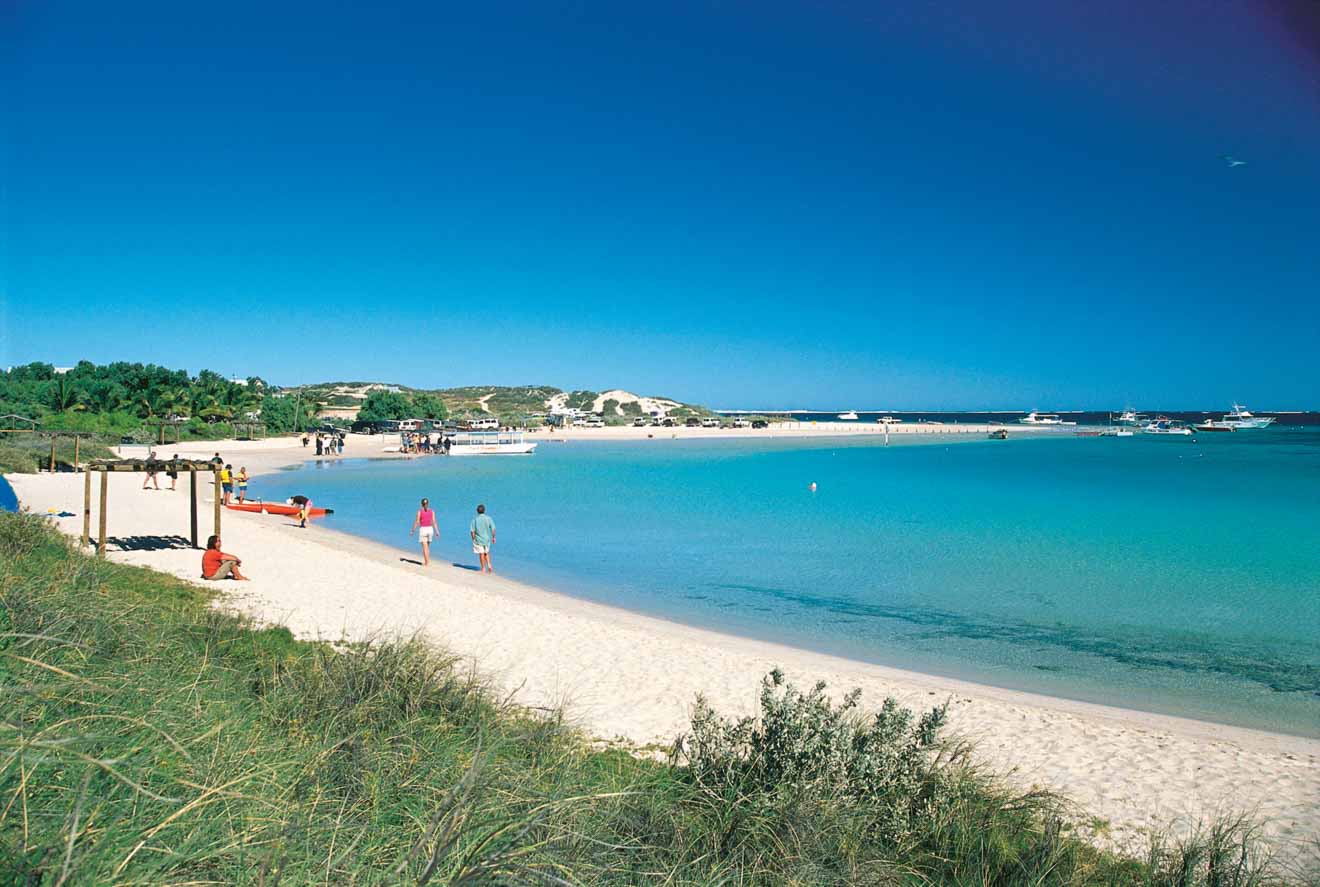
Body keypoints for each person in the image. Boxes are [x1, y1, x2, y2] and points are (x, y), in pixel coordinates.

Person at [409, 497, 438, 565]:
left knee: (425, 547)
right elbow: (434, 521)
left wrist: (412, 531)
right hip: (430, 529)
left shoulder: (419, 512)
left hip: (423, 530)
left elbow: (417, 522)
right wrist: (437, 531)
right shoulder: (432, 511)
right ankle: (427, 561)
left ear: (422, 504)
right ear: (428, 504)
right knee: (427, 547)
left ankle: (426, 562)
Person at [470, 504, 496, 574]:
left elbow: (472, 531)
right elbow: (493, 528)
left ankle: (483, 568)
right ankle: (489, 565)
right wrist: (493, 537)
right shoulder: (488, 518)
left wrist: (473, 539)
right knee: (486, 552)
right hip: (487, 539)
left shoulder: (475, 520)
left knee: (481, 553)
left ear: (477, 511)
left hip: (478, 540)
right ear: (484, 511)